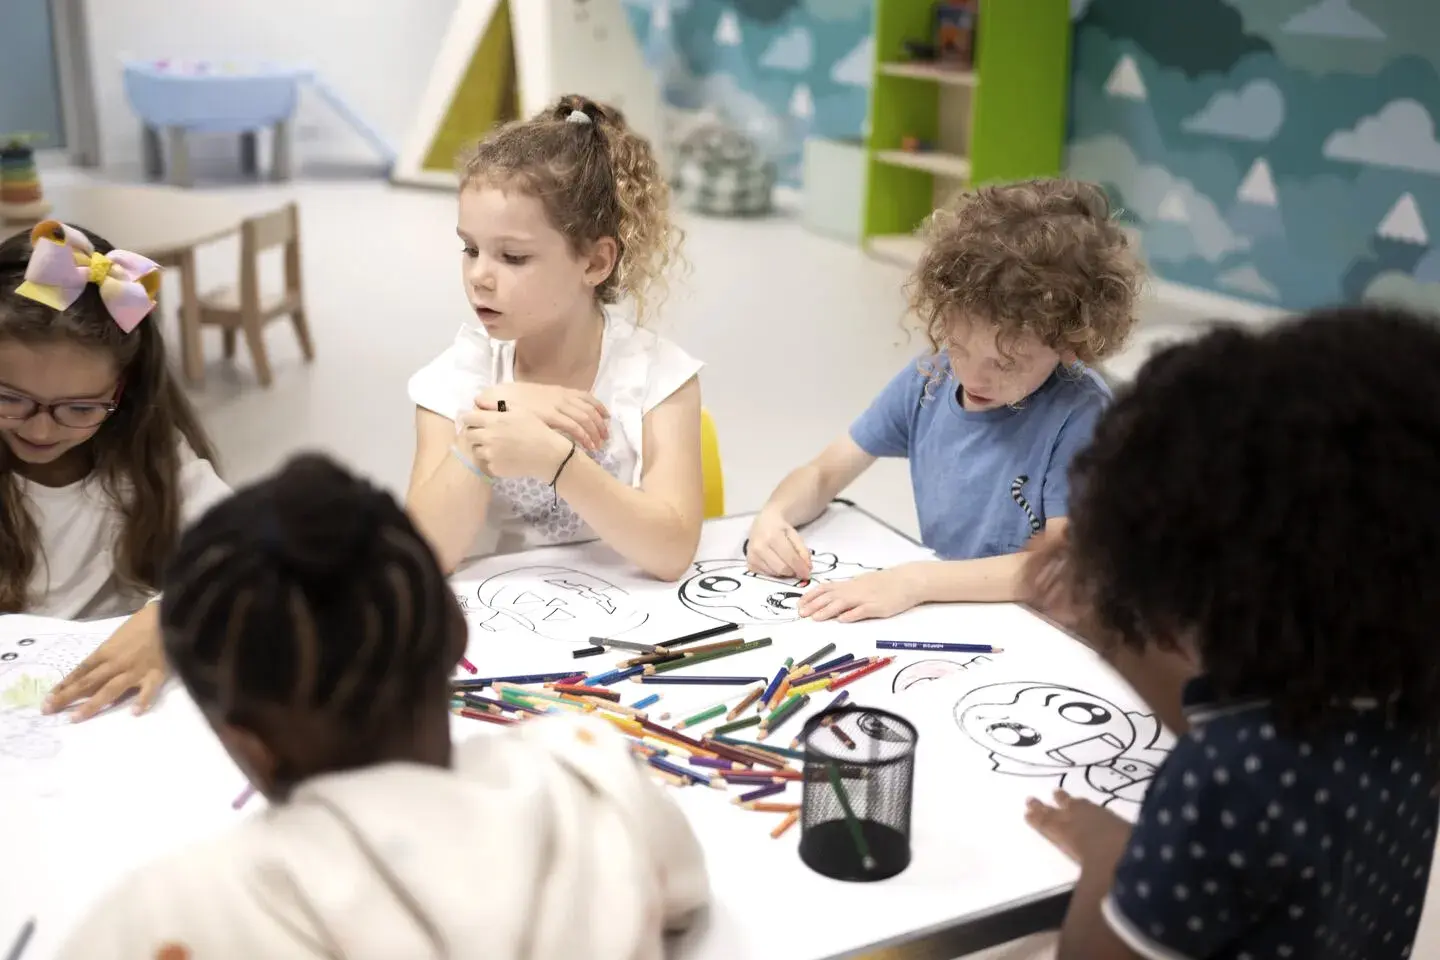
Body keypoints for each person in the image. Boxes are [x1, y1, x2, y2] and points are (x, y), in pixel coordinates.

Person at [55, 454, 709, 959]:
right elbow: (684, 890)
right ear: (456, 632)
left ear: (245, 739)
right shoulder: (589, 778)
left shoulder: (171, 909)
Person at [1022, 307, 1440, 960]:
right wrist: (1112, 635)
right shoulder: (1404, 706)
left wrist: (1112, 857)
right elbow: (1222, 723)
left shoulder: (1220, 783)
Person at [746, 179, 1141, 622]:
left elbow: (1062, 568)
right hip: (957, 613)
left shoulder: (1082, 415)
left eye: (1006, 363)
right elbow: (824, 473)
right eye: (958, 345)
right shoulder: (931, 379)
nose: (973, 375)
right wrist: (775, 514)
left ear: (1070, 343)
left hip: (1049, 632)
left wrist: (915, 581)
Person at [406, 94, 703, 582]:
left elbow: (671, 552)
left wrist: (554, 459)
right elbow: (421, 556)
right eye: (470, 248)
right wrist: (495, 416)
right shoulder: (458, 378)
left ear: (595, 262)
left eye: (513, 257)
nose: (479, 275)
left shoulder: (660, 377)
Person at [0, 221, 228, 721]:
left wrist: (167, 619)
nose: (40, 431)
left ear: (121, 395)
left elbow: (250, 542)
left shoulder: (147, 454)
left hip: (112, 714)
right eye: (10, 399)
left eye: (78, 409)